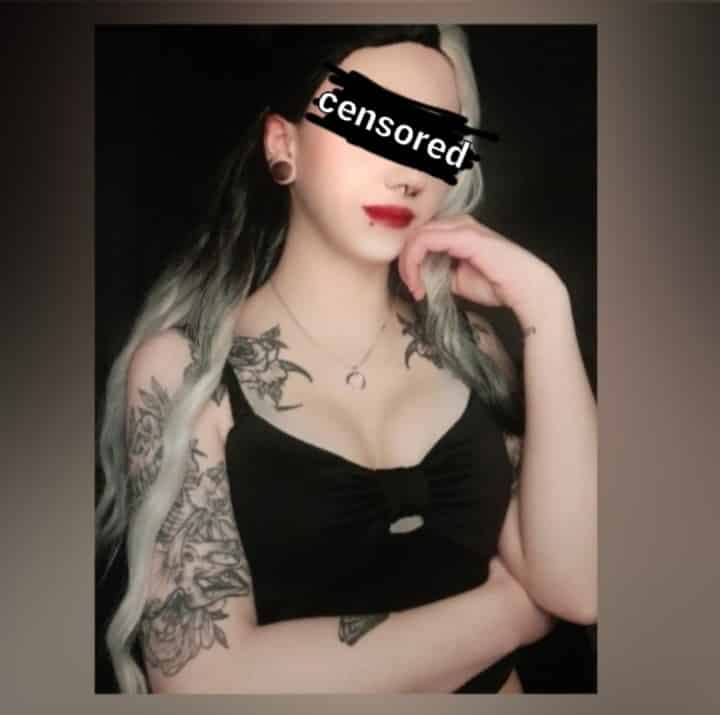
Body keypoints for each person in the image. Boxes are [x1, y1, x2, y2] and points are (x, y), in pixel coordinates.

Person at [95, 24, 597, 694]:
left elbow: (578, 585)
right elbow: (200, 682)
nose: (405, 172)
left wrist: (547, 310)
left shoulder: (471, 348)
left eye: (434, 139)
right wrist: (509, 612)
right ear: (283, 145)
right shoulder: (185, 371)